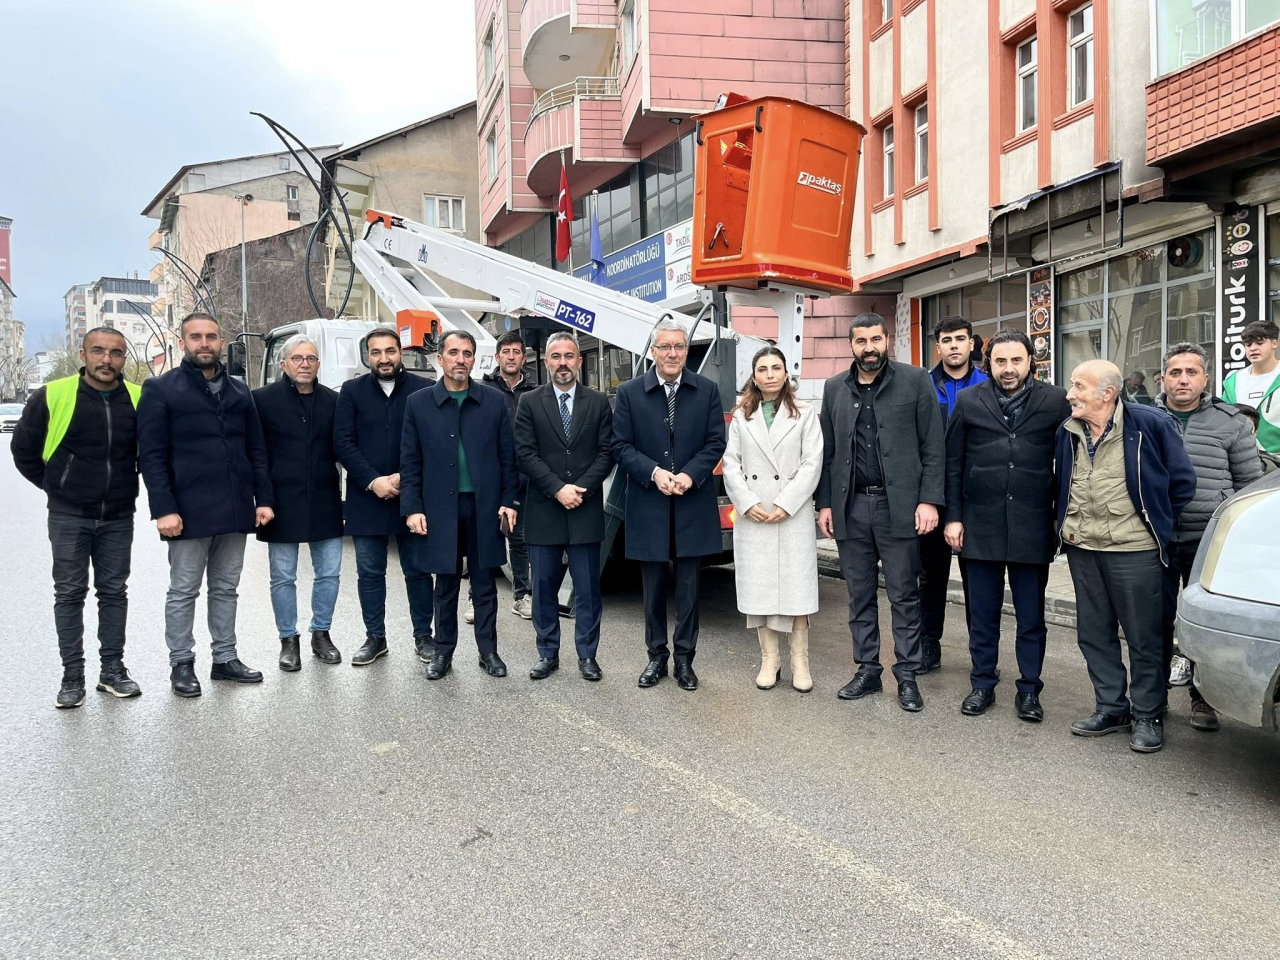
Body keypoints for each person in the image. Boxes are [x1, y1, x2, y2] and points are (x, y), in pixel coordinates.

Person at [1056, 360, 1195, 753]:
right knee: (1094, 635)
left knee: (1145, 638)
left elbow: (1181, 483)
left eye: (1079, 386)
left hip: (1136, 552)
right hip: (1084, 550)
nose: (1070, 393)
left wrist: (1154, 522)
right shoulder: (1065, 432)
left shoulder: (1151, 424)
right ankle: (1111, 708)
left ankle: (1149, 713)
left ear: (1107, 393)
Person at [137, 313, 275, 697]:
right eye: (195, 337)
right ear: (182, 343)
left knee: (226, 588)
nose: (204, 343)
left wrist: (262, 499)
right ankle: (181, 663)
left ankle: (225, 659)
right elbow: (151, 456)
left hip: (234, 509)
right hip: (186, 511)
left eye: (211, 337)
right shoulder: (161, 389)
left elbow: (256, 450)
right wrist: (164, 509)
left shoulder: (239, 390)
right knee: (183, 590)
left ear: (221, 341)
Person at [816, 312, 944, 712]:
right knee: (859, 594)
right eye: (860, 341)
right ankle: (868, 670)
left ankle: (907, 674)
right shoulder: (835, 387)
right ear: (850, 346)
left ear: (887, 340)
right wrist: (825, 503)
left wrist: (929, 500)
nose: (868, 348)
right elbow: (829, 451)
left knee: (905, 594)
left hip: (900, 507)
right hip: (852, 506)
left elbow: (933, 447)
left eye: (875, 339)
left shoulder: (915, 380)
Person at [11, 327, 143, 708]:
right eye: (98, 351)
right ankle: (72, 676)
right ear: (82, 354)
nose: (107, 360)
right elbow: (24, 451)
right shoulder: (52, 395)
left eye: (116, 353)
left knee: (114, 593)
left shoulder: (138, 398)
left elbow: (149, 453)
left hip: (118, 513)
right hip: (69, 514)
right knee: (69, 593)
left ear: (124, 358)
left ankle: (113, 671)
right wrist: (58, 486)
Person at [943, 330, 1071, 721]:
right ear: (989, 364)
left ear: (1031, 361)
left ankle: (1029, 691)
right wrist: (953, 517)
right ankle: (982, 684)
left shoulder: (1055, 401)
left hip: (1033, 525)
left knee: (1031, 618)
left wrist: (1060, 516)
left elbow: (1069, 462)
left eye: (1017, 360)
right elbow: (953, 463)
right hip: (979, 524)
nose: (1009, 369)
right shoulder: (969, 400)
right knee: (983, 615)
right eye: (1001, 361)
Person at [612, 317, 726, 691]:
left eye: (679, 346)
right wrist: (655, 473)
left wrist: (691, 475)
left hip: (692, 501)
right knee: (653, 588)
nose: (673, 353)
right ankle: (655, 657)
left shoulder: (706, 390)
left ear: (685, 351)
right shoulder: (630, 393)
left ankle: (684, 660)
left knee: (689, 589)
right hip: (650, 501)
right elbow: (621, 446)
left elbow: (715, 443)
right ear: (654, 352)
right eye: (665, 347)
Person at [402, 330, 519, 680]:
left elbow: (508, 458)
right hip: (439, 510)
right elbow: (410, 461)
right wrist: (413, 507)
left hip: (484, 509)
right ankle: (443, 653)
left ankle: (489, 652)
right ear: (440, 359)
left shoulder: (493, 401)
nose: (460, 360)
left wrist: (509, 501)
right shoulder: (420, 403)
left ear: (473, 359)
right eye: (453, 353)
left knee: (485, 585)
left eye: (467, 353)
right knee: (447, 585)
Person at [1155, 343, 1261, 731]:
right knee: (1156, 620)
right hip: (1157, 537)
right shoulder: (1142, 418)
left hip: (1208, 541)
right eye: (1175, 372)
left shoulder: (1230, 422)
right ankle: (1153, 699)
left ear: (1205, 378)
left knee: (1201, 623)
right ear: (1162, 377)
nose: (1183, 379)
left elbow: (1249, 485)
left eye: (1191, 372)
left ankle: (1203, 700)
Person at [513, 332, 614, 681]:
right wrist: (558, 489)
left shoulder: (598, 402)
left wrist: (581, 489)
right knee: (542, 587)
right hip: (544, 508)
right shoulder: (529, 402)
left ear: (580, 361)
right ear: (545, 363)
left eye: (569, 356)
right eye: (555, 357)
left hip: (584, 509)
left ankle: (588, 656)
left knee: (587, 589)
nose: (563, 363)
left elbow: (607, 452)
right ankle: (547, 653)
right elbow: (525, 453)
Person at [722, 346, 823, 692]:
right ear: (754, 376)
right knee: (759, 589)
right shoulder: (741, 416)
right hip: (755, 515)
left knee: (797, 590)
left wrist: (788, 502)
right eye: (762, 368)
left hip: (789, 515)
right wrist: (747, 502)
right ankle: (771, 659)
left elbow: (813, 462)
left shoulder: (806, 413)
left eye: (775, 367)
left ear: (786, 373)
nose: (769, 374)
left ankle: (800, 662)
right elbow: (731, 464)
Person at [334, 328, 434, 667]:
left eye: (390, 351)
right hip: (368, 499)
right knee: (370, 572)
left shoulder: (424, 389)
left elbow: (433, 441)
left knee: (418, 571)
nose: (384, 358)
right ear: (368, 356)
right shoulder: (352, 391)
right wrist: (373, 480)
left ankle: (424, 637)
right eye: (376, 352)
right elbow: (343, 443)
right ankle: (375, 638)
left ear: (400, 352)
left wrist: (406, 478)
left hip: (414, 498)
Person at [252, 335, 345, 671]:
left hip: (325, 499)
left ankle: (321, 634)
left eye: (311, 358)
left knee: (330, 574)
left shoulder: (333, 401)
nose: (305, 364)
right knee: (282, 577)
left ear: (319, 364)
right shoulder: (261, 400)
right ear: (283, 364)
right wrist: (262, 499)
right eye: (297, 358)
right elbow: (257, 455)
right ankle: (288, 641)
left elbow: (344, 448)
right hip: (280, 501)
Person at [919, 316, 986, 673]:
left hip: (976, 499)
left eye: (961, 338)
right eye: (947, 340)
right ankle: (929, 644)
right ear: (938, 347)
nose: (955, 345)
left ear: (972, 343)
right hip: (934, 496)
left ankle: (981, 650)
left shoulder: (988, 386)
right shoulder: (924, 386)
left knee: (978, 578)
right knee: (930, 577)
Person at [477, 330, 536, 622]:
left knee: (520, 540)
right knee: (485, 538)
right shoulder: (483, 390)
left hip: (524, 480)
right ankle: (477, 597)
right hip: (489, 479)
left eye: (516, 352)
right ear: (497, 356)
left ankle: (522, 596)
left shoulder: (535, 392)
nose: (511, 356)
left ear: (524, 358)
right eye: (506, 351)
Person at [1222, 319, 1280, 454]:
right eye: (1248, 344)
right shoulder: (1233, 380)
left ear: (1274, 343)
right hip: (1241, 459)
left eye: (1259, 343)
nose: (1253, 348)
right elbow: (1222, 420)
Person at [1233, 404, 1280, 473]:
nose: (1240, 433)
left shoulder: (1269, 468)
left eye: (1247, 429)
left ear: (1255, 433)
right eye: (1234, 427)